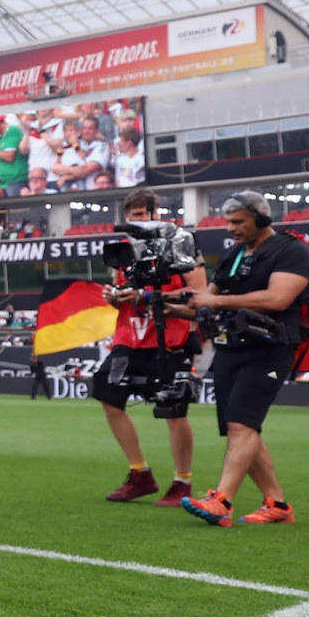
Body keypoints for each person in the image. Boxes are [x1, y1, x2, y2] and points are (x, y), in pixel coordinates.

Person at [173, 192, 309, 526]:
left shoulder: (293, 251)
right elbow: (208, 300)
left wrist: (218, 302)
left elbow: (278, 299)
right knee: (243, 428)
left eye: (238, 222)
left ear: (262, 219)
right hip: (230, 346)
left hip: (270, 348)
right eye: (228, 222)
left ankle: (222, 501)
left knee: (241, 425)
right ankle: (278, 505)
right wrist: (156, 303)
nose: (231, 229)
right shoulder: (234, 253)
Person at [98, 188, 205, 506]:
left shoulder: (182, 242)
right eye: (133, 218)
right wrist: (115, 297)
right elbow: (124, 295)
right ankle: (140, 473)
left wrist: (149, 297)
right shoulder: (126, 251)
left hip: (171, 336)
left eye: (143, 216)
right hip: (129, 338)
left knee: (174, 409)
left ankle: (182, 482)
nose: (139, 223)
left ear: (157, 214)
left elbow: (198, 293)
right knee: (107, 394)